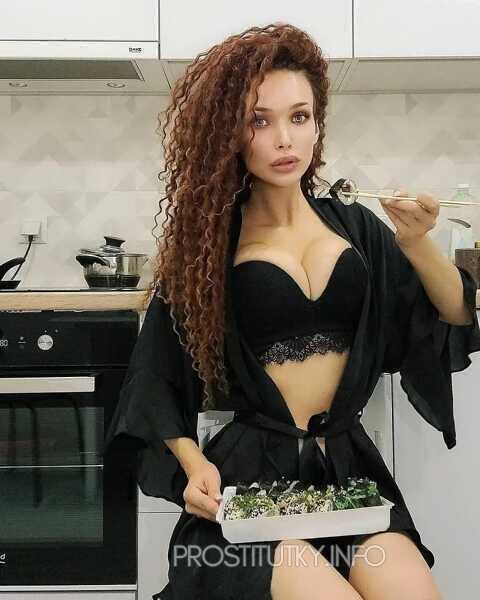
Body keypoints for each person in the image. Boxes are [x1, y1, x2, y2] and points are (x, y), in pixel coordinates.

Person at [102, 22, 480, 600]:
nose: (284, 139)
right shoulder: (207, 250)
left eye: (299, 116)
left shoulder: (358, 227)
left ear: (317, 123)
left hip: (349, 482)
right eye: (260, 121)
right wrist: (191, 465)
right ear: (232, 133)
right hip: (251, 490)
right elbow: (153, 377)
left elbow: (453, 313)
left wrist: (415, 242)